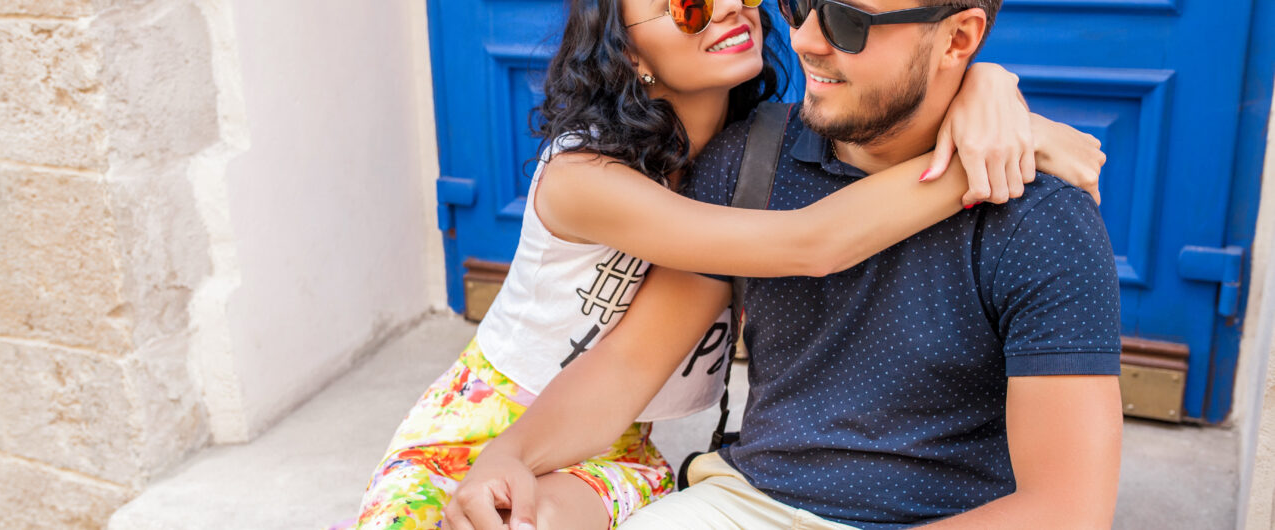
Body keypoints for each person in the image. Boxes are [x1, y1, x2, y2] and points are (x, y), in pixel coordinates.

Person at [357, 0, 1108, 527]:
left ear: (957, 38)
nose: (807, 36)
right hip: (519, 424)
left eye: (846, 19)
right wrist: (996, 144)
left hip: (631, 447)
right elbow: (808, 244)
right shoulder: (630, 174)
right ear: (628, 50)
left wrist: (989, 91)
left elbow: (1067, 508)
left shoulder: (1045, 222)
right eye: (801, 1)